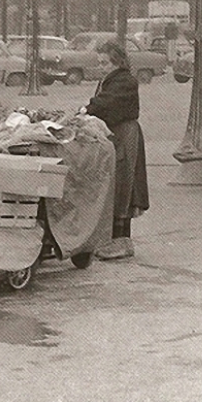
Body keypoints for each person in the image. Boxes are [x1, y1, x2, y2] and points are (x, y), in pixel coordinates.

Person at [84, 40, 149, 260]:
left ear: (117, 62)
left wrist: (85, 110)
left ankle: (121, 241)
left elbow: (106, 104)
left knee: (124, 184)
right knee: (115, 184)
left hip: (124, 135)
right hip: (114, 134)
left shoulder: (125, 81)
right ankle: (112, 240)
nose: (101, 66)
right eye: (100, 62)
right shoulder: (111, 79)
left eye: (105, 63)